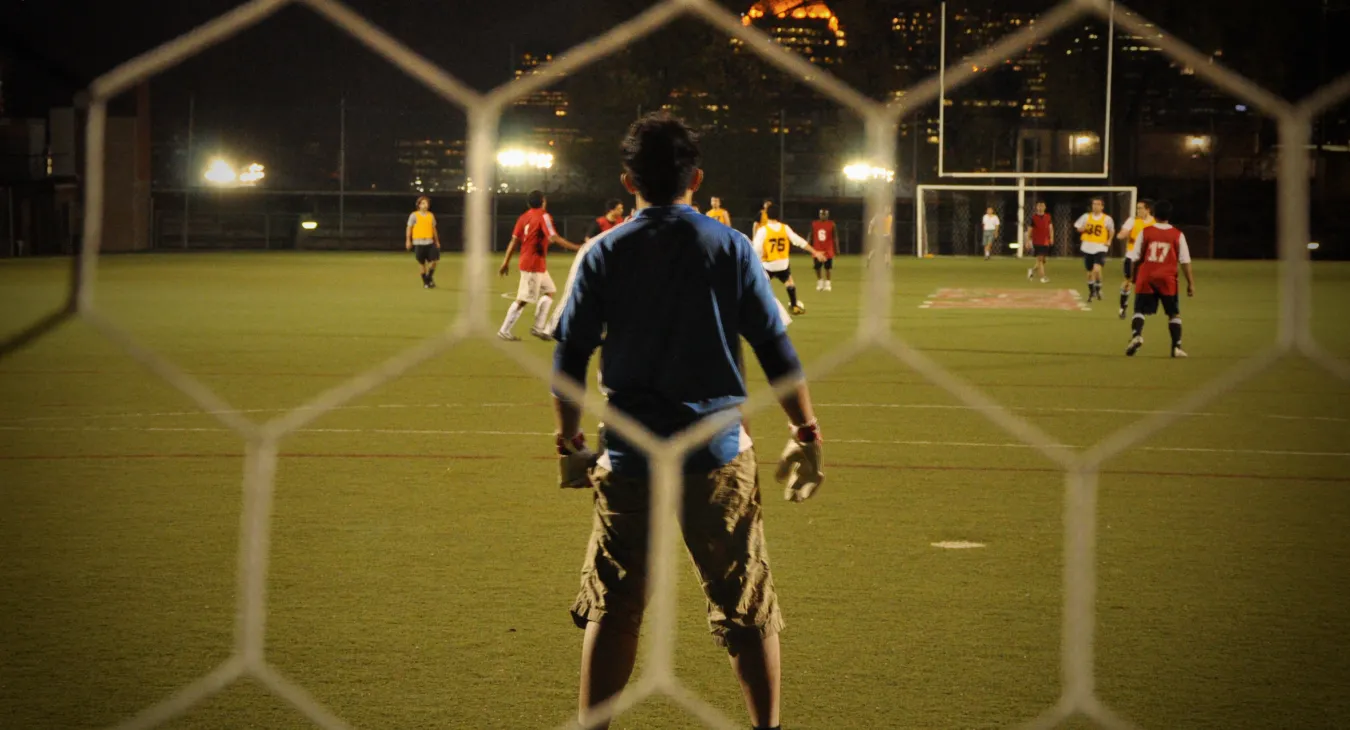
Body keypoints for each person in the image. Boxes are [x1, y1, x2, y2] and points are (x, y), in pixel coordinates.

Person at [549, 112, 825, 730]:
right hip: (718, 452)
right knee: (745, 603)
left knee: (615, 605)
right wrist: (805, 428)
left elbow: (569, 358)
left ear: (628, 181)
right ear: (696, 179)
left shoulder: (603, 251)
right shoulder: (729, 246)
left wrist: (568, 438)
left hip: (630, 455)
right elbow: (775, 349)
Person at [497, 190, 581, 341]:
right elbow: (553, 237)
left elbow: (514, 240)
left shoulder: (524, 217)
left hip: (533, 262)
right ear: (543, 201)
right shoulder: (544, 215)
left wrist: (506, 262)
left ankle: (538, 328)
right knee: (523, 299)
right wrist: (577, 248)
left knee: (550, 291)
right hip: (533, 264)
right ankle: (504, 330)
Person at [1125, 199, 1194, 358]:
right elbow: (1185, 261)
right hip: (1167, 279)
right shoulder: (1178, 234)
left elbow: (1135, 257)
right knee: (1173, 314)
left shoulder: (1145, 232)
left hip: (1147, 276)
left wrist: (1132, 277)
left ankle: (1137, 335)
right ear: (1170, 215)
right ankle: (1176, 347)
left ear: (1154, 214)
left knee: (1139, 310)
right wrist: (1190, 283)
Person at [752, 202, 825, 315]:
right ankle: (794, 305)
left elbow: (756, 249)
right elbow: (799, 241)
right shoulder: (784, 228)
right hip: (782, 264)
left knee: (757, 286)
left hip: (768, 265)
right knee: (789, 281)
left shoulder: (763, 230)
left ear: (766, 215)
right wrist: (815, 252)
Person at [1116, 199, 1155, 319]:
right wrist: (1123, 234)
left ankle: (1142, 307)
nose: (1138, 210)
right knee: (1128, 282)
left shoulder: (1155, 223)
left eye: (1140, 208)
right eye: (1137, 208)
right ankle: (1123, 306)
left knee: (1145, 284)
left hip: (1148, 259)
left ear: (1148, 210)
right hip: (1132, 256)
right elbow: (1122, 233)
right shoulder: (1132, 220)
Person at [1074, 196, 1115, 302]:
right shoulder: (1086, 216)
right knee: (1089, 272)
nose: (1095, 206)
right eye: (1094, 204)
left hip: (1100, 247)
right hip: (1087, 247)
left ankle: (1098, 289)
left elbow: (1111, 230)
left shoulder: (1107, 219)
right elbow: (1077, 227)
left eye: (1098, 204)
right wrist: (1081, 229)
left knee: (1097, 269)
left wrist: (1109, 240)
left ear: (1102, 206)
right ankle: (1092, 291)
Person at [405, 196, 441, 289]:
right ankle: (426, 282)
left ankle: (429, 277)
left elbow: (434, 229)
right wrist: (408, 240)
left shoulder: (431, 215)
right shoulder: (414, 215)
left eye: (427, 203)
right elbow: (409, 227)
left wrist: (437, 241)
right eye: (423, 203)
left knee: (434, 260)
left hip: (430, 241)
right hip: (418, 242)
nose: (425, 205)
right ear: (419, 205)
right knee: (421, 263)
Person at [1025, 200, 1052, 283]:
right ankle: (1043, 277)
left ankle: (1031, 271)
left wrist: (1051, 237)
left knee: (1043, 260)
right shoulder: (1033, 218)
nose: (1040, 207)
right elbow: (1030, 229)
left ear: (1045, 207)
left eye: (1042, 206)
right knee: (1040, 259)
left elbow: (1051, 227)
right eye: (1039, 206)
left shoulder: (1048, 216)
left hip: (1046, 241)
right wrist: (1028, 240)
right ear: (1036, 207)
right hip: (1037, 241)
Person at [810, 208, 836, 291]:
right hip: (817, 249)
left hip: (828, 249)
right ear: (819, 215)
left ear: (827, 215)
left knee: (828, 268)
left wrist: (836, 248)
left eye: (825, 214)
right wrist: (808, 245)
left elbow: (835, 236)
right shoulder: (814, 224)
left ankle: (828, 283)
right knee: (817, 267)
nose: (823, 216)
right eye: (822, 214)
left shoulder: (831, 224)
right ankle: (820, 282)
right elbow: (811, 235)